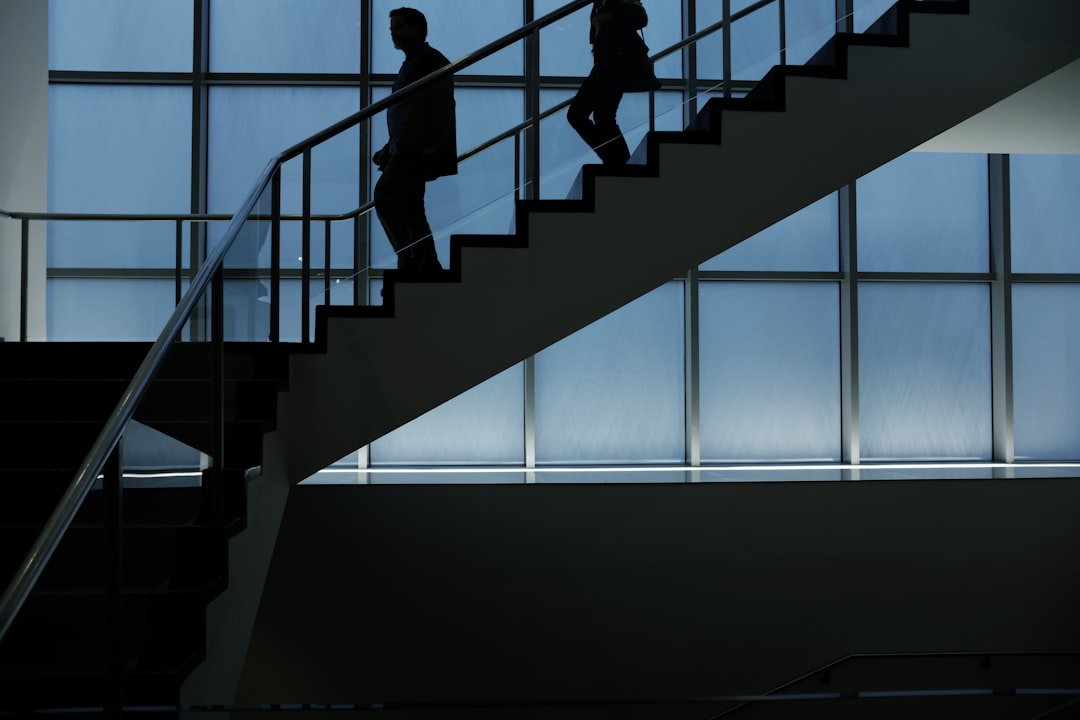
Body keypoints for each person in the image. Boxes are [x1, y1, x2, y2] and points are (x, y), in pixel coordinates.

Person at [373, 7, 457, 273]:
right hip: (407, 146)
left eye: (399, 27)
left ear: (417, 28)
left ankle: (409, 257)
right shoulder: (413, 62)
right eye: (392, 28)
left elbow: (442, 105)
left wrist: (431, 145)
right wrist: (389, 147)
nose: (393, 33)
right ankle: (426, 262)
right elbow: (408, 111)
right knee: (410, 206)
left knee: (386, 196)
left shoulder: (430, 60)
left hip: (416, 148)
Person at [567, 0, 650, 166]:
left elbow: (641, 17)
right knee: (602, 118)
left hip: (615, 62)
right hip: (606, 63)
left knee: (586, 116)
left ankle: (619, 164)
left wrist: (610, 17)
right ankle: (620, 164)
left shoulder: (612, 3)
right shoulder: (600, 3)